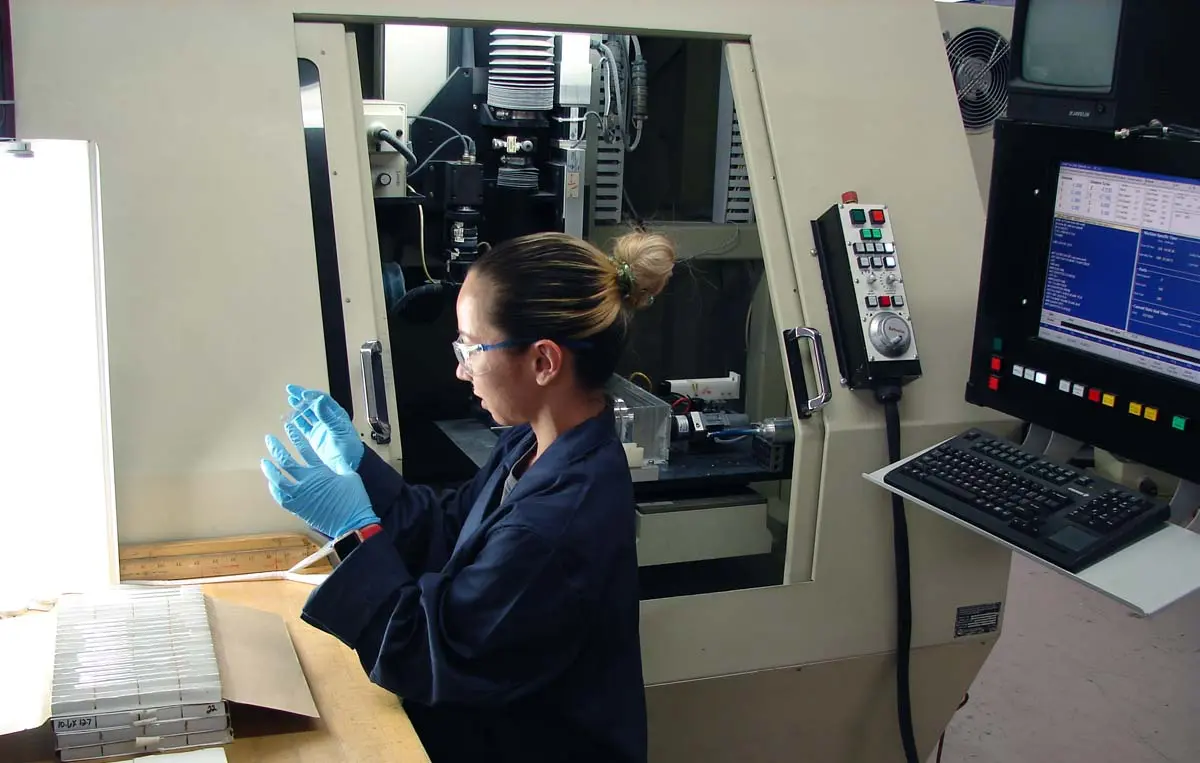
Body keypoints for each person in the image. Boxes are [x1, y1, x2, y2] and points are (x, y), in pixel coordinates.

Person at [259, 230, 677, 763]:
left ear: (544, 362)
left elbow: (432, 654)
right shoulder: (540, 442)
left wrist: (357, 530)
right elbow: (451, 529)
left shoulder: (557, 522)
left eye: (472, 347)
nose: (460, 368)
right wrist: (359, 467)